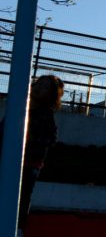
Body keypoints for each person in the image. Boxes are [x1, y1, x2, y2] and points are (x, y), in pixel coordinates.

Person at [5, 75, 64, 234]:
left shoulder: (45, 114)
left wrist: (31, 139)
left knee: (21, 198)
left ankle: (17, 228)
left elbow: (51, 138)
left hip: (29, 163)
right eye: (37, 84)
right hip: (14, 160)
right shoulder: (21, 107)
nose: (38, 88)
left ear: (51, 95)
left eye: (44, 87)